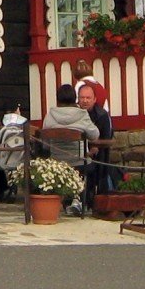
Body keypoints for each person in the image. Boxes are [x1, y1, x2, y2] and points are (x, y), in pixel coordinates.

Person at [41, 81, 100, 214]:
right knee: (93, 166)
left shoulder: (50, 115)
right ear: (75, 99)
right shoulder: (82, 115)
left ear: (57, 99)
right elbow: (95, 135)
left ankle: (68, 200)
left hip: (57, 163)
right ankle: (81, 199)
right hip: (79, 161)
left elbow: (44, 143)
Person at [76, 83, 115, 193]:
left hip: (98, 153)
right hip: (76, 152)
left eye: (88, 98)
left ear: (94, 99)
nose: (85, 101)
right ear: (78, 99)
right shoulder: (74, 113)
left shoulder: (102, 115)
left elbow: (107, 138)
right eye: (82, 97)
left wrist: (95, 147)